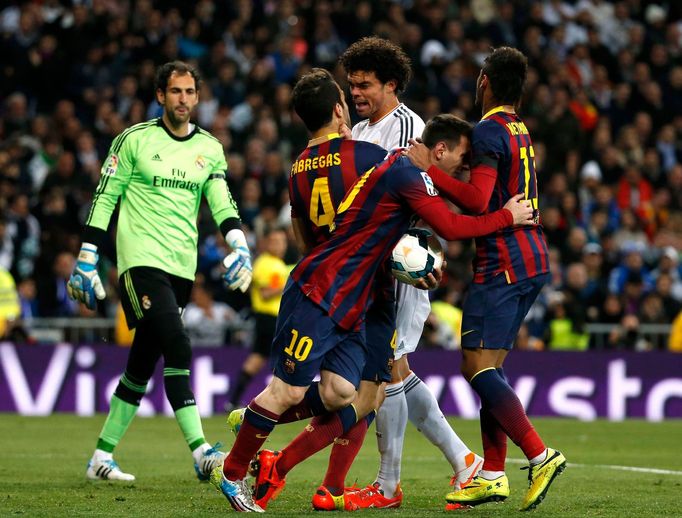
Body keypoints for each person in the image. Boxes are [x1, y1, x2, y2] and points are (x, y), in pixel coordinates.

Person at [210, 67, 534, 513]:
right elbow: (451, 224)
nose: (459, 175)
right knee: (310, 389)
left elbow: (315, 232)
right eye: (457, 165)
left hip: (350, 294)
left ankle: (267, 436)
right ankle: (233, 471)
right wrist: (506, 217)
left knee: (347, 394)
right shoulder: (386, 162)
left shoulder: (320, 167)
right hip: (327, 289)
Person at [67, 61, 253, 482]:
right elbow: (105, 197)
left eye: (190, 92)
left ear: (198, 97)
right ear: (160, 96)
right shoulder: (134, 140)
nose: (183, 99)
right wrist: (87, 255)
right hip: (140, 264)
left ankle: (101, 457)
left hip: (181, 269)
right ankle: (202, 451)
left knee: (141, 365)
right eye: (175, 92)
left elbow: (222, 201)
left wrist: (240, 244)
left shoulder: (209, 148)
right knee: (178, 343)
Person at [404, 46, 566, 511]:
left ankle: (539, 454)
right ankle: (493, 474)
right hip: (531, 259)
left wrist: (428, 167)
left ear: (484, 82)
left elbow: (476, 201)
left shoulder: (490, 130)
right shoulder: (519, 128)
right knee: (489, 368)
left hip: (504, 261)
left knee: (475, 367)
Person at [339, 36, 482, 510]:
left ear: (391, 84)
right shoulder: (359, 132)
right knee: (396, 369)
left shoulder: (409, 128)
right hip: (368, 268)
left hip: (399, 266)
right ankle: (464, 461)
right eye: (351, 84)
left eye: (365, 85)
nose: (356, 92)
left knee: (387, 370)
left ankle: (387, 484)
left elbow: (410, 204)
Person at [226, 227, 289, 408]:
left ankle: (233, 400)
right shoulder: (267, 264)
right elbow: (265, 293)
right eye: (276, 241)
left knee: (257, 358)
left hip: (268, 320)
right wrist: (289, 285)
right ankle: (277, 402)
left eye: (282, 242)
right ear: (267, 243)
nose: (280, 245)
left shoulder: (276, 264)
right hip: (270, 318)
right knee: (284, 361)